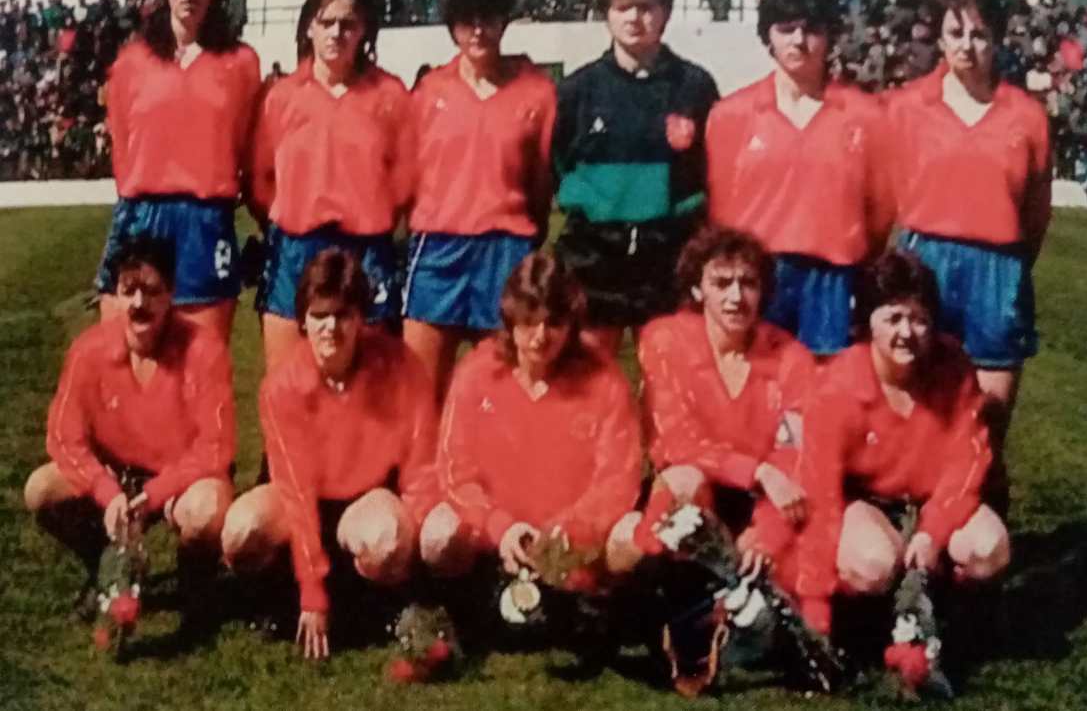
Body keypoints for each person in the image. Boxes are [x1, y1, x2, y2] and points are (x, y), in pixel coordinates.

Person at [885, 0, 1051, 513]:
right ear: (937, 36)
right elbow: (887, 191)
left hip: (997, 271)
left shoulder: (1026, 116)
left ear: (998, 38)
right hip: (924, 266)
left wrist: (1006, 267)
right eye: (954, 32)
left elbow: (1036, 214)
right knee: (920, 414)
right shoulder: (908, 107)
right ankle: (916, 549)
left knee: (986, 426)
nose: (967, 45)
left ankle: (981, 565)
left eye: (980, 33)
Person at [222, 249, 439, 660]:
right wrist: (311, 592)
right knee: (241, 530)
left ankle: (385, 604)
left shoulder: (399, 364)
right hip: (302, 499)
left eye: (343, 315)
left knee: (387, 540)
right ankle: (272, 598)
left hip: (367, 496)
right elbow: (296, 492)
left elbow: (420, 465)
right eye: (319, 316)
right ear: (302, 320)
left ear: (361, 318)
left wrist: (419, 562)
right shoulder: (282, 387)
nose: (331, 328)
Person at [782, 250, 1009, 635]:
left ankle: (936, 604)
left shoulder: (954, 369)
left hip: (932, 503)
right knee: (873, 564)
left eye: (919, 320)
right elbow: (820, 490)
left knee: (990, 549)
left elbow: (968, 464)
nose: (906, 332)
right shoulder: (837, 386)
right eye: (893, 318)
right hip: (868, 504)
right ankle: (871, 613)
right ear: (868, 321)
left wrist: (931, 533)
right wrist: (816, 598)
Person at [25, 236, 236, 626]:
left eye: (152, 291)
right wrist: (106, 491)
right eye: (129, 291)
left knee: (207, 509)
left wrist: (155, 494)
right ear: (115, 295)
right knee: (40, 489)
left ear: (171, 292)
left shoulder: (204, 350)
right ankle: (104, 565)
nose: (139, 303)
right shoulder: (88, 349)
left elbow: (216, 446)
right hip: (115, 474)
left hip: (176, 479)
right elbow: (62, 437)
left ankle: (195, 582)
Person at [420, 251, 644, 588]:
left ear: (571, 324)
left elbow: (618, 481)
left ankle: (606, 609)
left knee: (634, 533)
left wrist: (563, 531)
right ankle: (459, 603)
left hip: (572, 540)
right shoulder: (477, 372)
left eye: (553, 323)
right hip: (496, 533)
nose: (541, 335)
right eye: (528, 321)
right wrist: (500, 526)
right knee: (438, 533)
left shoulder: (605, 380)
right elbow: (455, 470)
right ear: (510, 320)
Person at [706, 0, 892, 356]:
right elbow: (720, 208)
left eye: (811, 29)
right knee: (756, 389)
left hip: (834, 279)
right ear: (768, 36)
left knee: (825, 397)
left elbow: (881, 208)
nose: (798, 41)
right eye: (786, 29)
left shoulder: (866, 116)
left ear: (829, 36)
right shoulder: (732, 114)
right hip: (758, 274)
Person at [96, 0, 261, 342]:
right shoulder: (133, 61)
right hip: (141, 217)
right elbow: (122, 145)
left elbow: (246, 146)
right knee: (122, 366)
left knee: (200, 372)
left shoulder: (240, 63)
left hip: (205, 223)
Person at [401, 0, 556, 401]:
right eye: (466, 20)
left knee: (502, 389)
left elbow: (541, 180)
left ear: (504, 19)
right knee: (421, 388)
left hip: (505, 247)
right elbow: (411, 173)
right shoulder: (430, 91)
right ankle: (420, 473)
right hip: (438, 249)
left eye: (487, 17)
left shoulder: (537, 91)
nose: (477, 31)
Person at [552, 0, 720, 356]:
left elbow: (709, 167)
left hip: (667, 254)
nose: (634, 18)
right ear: (607, 15)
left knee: (668, 377)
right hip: (595, 255)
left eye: (646, 7)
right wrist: (598, 206)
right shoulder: (579, 89)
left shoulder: (693, 86)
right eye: (622, 7)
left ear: (665, 13)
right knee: (590, 378)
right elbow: (557, 163)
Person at [248, 0, 414, 373]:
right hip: (295, 249)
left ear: (364, 30)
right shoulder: (282, 95)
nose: (336, 33)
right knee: (290, 384)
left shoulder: (389, 95)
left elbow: (407, 178)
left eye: (348, 23)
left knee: (373, 389)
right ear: (309, 26)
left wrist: (370, 216)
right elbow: (260, 178)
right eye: (326, 22)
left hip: (366, 251)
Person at [638, 226, 816, 585]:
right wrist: (757, 471)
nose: (736, 297)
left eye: (748, 283)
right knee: (682, 482)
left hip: (764, 500)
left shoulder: (792, 359)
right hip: (702, 485)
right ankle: (668, 592)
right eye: (721, 284)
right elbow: (679, 443)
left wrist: (765, 535)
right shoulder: (664, 340)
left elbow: (792, 458)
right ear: (696, 289)